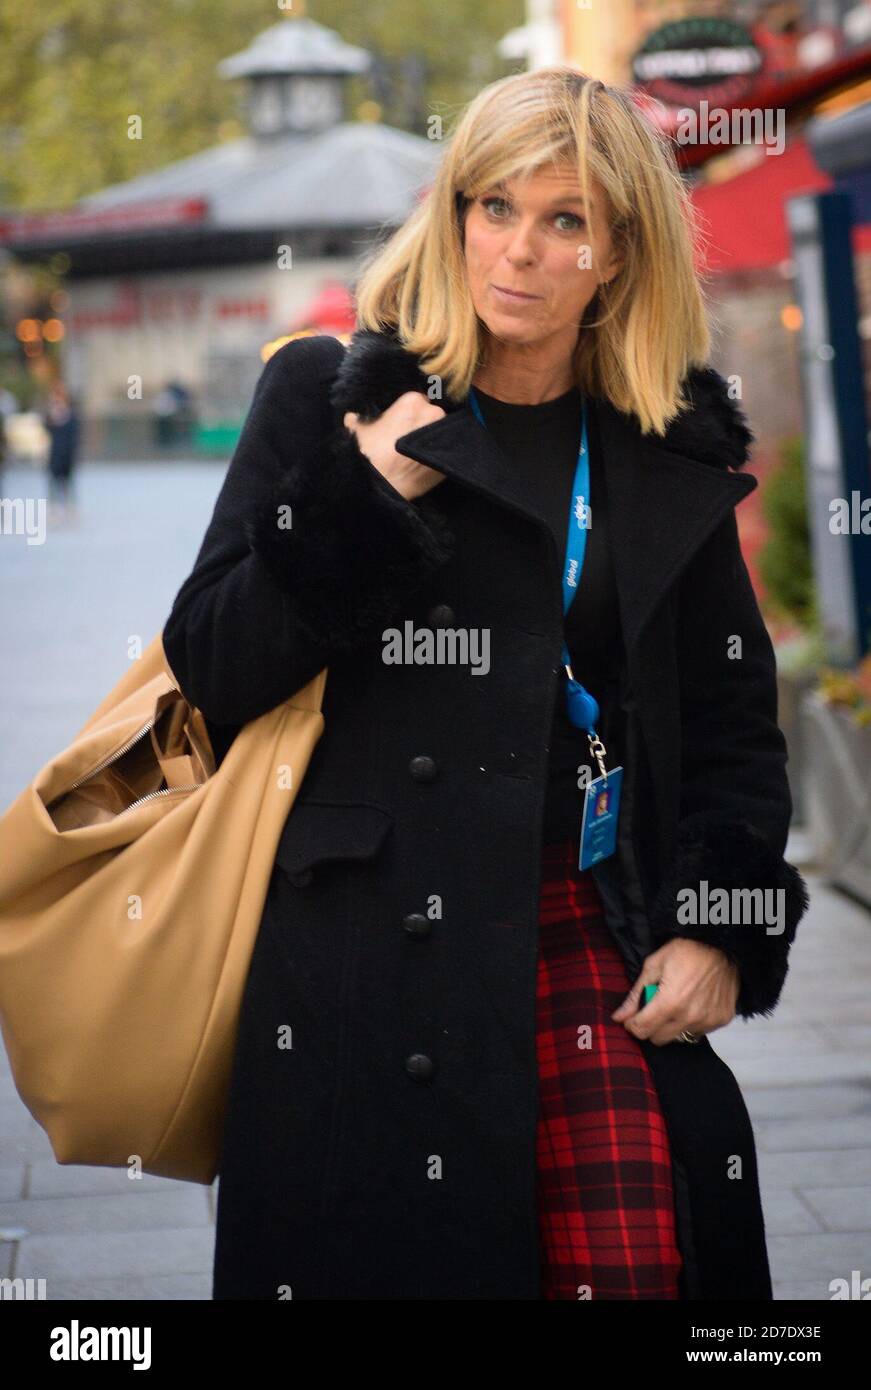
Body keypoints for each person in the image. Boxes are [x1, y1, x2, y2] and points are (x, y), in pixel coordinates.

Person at [162, 68, 809, 1301]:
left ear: (616, 254)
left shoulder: (666, 436)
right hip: (366, 957)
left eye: (564, 220)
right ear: (451, 209)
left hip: (585, 930)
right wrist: (359, 499)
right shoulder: (328, 393)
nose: (517, 250)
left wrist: (719, 922)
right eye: (492, 205)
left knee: (644, 1266)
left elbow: (730, 718)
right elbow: (212, 661)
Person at [43, 380, 80, 522]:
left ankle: (69, 507)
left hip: (67, 455)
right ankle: (53, 508)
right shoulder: (51, 414)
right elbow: (46, 428)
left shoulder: (71, 415)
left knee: (68, 482)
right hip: (54, 453)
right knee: (53, 481)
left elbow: (74, 435)